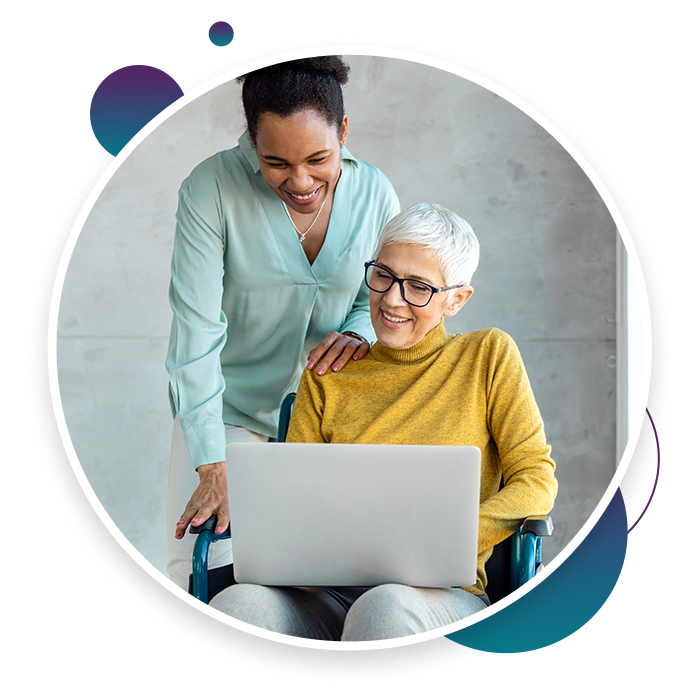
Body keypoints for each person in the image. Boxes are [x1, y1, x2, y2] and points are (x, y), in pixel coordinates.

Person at [208, 203, 558, 641]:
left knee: (386, 605)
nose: (392, 299)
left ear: (456, 299)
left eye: (418, 287)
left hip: (437, 592)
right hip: (328, 591)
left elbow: (536, 480)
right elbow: (297, 500)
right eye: (384, 275)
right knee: (237, 604)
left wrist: (439, 538)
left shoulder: (487, 356)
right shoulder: (329, 377)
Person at [165, 57, 400, 590]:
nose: (300, 181)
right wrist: (213, 464)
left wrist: (359, 333)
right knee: (202, 573)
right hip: (225, 411)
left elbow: (379, 296)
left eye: (319, 159)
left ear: (343, 131)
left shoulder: (376, 194)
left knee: (316, 574)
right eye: (276, 163)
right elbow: (196, 331)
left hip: (324, 418)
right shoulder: (211, 188)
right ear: (251, 140)